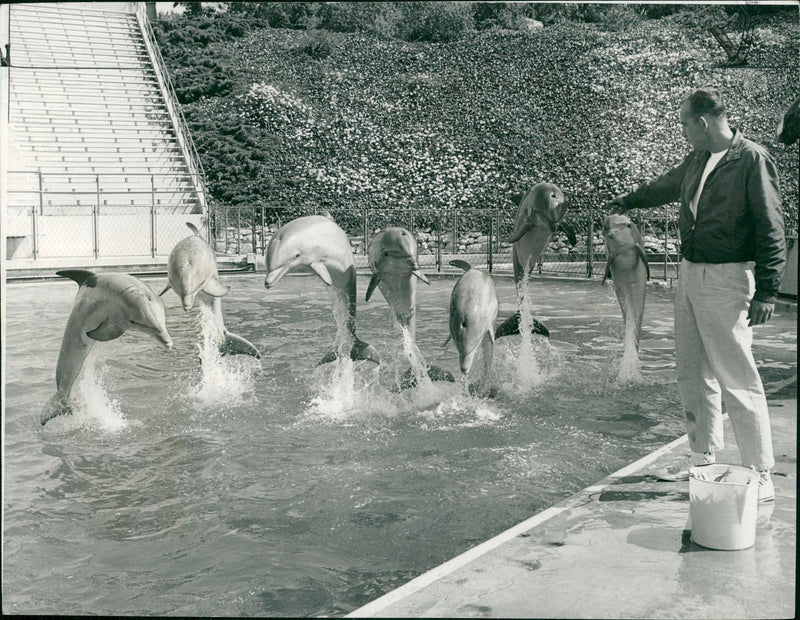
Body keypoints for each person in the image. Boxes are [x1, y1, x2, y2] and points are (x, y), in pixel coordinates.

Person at [610, 88, 786, 501]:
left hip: (728, 278)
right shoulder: (698, 159)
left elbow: (771, 227)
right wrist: (629, 199)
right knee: (692, 369)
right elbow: (666, 186)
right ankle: (703, 456)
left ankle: (759, 471)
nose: (684, 133)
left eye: (685, 125)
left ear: (703, 123)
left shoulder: (752, 160)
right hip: (690, 274)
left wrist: (767, 292)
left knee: (736, 376)